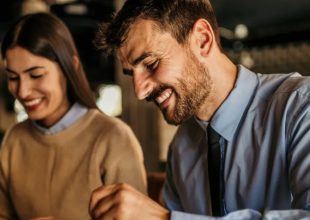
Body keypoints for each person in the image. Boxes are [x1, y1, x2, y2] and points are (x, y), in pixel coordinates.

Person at [89, 0, 310, 219]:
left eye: (151, 64)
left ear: (202, 39)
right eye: (131, 75)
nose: (139, 92)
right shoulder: (181, 148)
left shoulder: (300, 107)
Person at [0, 12, 147, 220]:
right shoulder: (15, 139)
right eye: (13, 77)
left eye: (36, 75)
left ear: (70, 68)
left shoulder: (113, 138)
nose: (22, 91)